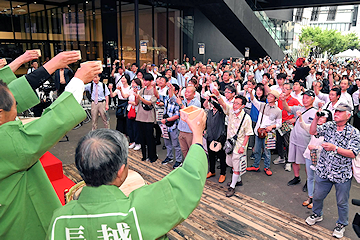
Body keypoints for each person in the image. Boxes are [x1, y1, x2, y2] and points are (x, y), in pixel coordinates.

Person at [47, 107, 208, 240]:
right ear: (121, 171)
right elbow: (189, 178)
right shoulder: (142, 208)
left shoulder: (59, 220)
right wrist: (198, 134)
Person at [0, 52, 101, 240]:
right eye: (16, 108)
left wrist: (51, 65)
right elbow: (53, 122)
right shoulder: (5, 144)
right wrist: (79, 80)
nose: (18, 116)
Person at [305, 103, 360, 239]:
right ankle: (317, 214)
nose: (336, 113)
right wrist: (316, 119)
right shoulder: (329, 126)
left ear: (348, 115)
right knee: (317, 196)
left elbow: (353, 153)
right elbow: (313, 132)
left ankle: (341, 224)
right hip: (324, 170)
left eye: (340, 112)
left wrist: (335, 148)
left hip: (342, 174)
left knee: (342, 201)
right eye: (335, 111)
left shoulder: (354, 132)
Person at [213, 89, 253, 197]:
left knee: (235, 166)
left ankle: (232, 187)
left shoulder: (246, 118)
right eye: (234, 102)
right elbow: (223, 104)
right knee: (229, 163)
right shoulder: (231, 111)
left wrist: (243, 146)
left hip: (239, 145)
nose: (235, 105)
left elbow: (248, 134)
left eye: (237, 104)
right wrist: (218, 95)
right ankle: (238, 179)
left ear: (243, 106)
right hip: (229, 144)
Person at [297, 109, 332, 210]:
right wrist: (300, 117)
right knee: (310, 177)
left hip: (320, 158)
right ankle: (310, 197)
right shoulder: (314, 126)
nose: (320, 119)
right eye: (319, 117)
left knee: (319, 180)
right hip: (309, 155)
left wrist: (316, 148)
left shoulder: (329, 131)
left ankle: (316, 200)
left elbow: (329, 147)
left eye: (323, 117)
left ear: (327, 119)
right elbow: (304, 126)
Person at [281, 90, 317, 186]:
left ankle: (308, 181)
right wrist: (283, 100)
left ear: (313, 99)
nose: (304, 100)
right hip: (294, 138)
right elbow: (287, 108)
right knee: (294, 160)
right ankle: (296, 177)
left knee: (307, 162)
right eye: (303, 97)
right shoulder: (299, 108)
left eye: (307, 98)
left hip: (306, 141)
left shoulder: (315, 112)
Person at [246, 90, 282, 176]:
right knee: (257, 149)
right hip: (259, 131)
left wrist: (272, 127)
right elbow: (253, 100)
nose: (269, 98)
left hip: (269, 134)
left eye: (271, 96)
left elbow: (279, 124)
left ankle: (267, 167)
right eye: (268, 96)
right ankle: (256, 165)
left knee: (267, 151)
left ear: (276, 99)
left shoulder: (278, 110)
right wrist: (251, 93)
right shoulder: (263, 105)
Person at [203, 94, 227, 183]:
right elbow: (204, 105)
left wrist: (211, 99)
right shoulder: (209, 111)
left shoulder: (221, 111)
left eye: (214, 101)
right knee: (211, 155)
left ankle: (223, 173)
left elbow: (218, 106)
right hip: (210, 136)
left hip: (219, 137)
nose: (212, 103)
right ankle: (212, 171)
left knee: (221, 156)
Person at [134, 73, 158, 162]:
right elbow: (136, 102)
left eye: (146, 80)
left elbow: (150, 103)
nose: (145, 82)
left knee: (150, 137)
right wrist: (136, 95)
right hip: (140, 117)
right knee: (142, 138)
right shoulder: (142, 90)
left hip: (149, 118)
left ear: (151, 81)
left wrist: (140, 97)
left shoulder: (154, 91)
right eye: (144, 80)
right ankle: (144, 156)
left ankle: (152, 156)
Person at [176, 86, 201, 161]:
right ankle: (187, 165)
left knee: (192, 151)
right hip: (181, 130)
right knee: (184, 150)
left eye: (188, 92)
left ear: (194, 93)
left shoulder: (196, 103)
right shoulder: (184, 101)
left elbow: (188, 113)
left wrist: (180, 104)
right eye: (186, 91)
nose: (186, 93)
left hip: (190, 132)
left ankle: (193, 166)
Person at [160, 82, 182, 168]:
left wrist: (166, 120)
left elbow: (177, 116)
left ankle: (179, 160)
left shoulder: (178, 101)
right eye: (168, 89)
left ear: (175, 91)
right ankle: (169, 157)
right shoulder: (166, 99)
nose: (169, 91)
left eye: (171, 90)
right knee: (167, 142)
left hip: (173, 126)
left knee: (176, 144)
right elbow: (157, 96)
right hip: (165, 125)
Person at [127, 78, 142, 151]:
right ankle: (132, 141)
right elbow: (125, 96)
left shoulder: (140, 92)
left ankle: (138, 142)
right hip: (130, 110)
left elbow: (136, 103)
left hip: (136, 111)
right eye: (132, 82)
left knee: (136, 127)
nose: (132, 84)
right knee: (129, 127)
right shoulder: (130, 90)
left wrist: (132, 102)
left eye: (134, 83)